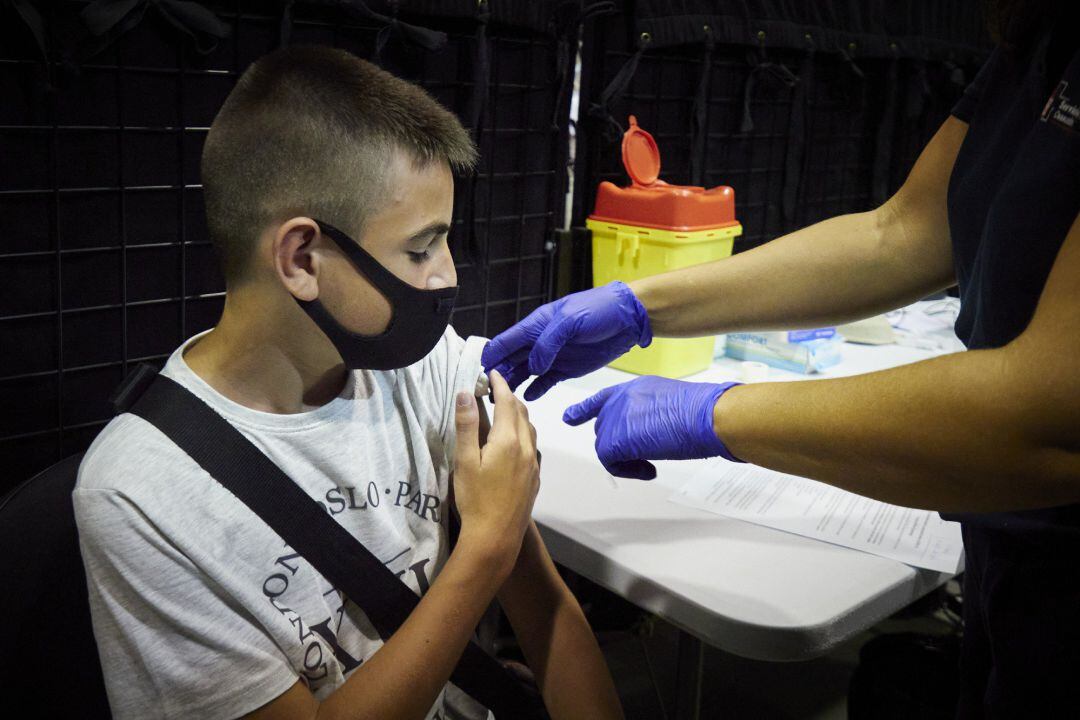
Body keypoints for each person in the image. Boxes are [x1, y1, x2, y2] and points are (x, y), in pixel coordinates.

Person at [482, 2, 1079, 716]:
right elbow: (902, 232)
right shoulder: (1038, 41)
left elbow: (1049, 413)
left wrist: (715, 413)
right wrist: (643, 304)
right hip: (1008, 552)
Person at [74, 46, 623, 720]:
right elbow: (498, 556)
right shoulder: (139, 498)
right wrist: (483, 549)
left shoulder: (429, 372)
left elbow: (547, 618)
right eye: (421, 249)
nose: (446, 277)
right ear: (301, 258)